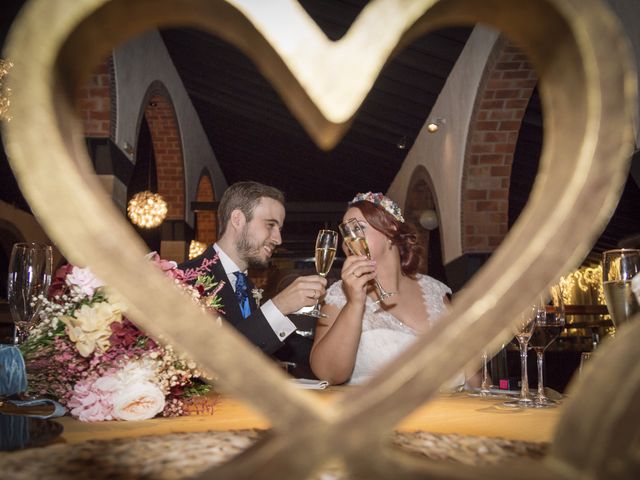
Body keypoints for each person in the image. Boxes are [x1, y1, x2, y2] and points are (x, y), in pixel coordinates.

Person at [310, 192, 464, 386]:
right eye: (346, 233)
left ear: (390, 230)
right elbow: (328, 374)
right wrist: (355, 303)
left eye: (359, 228)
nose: (349, 239)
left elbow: (467, 367)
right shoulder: (339, 295)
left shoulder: (433, 291)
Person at [179, 181, 327, 357]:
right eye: (270, 225)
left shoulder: (246, 287)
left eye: (279, 229)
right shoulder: (184, 280)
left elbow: (257, 341)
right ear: (238, 219)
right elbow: (215, 357)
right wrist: (279, 306)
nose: (278, 240)